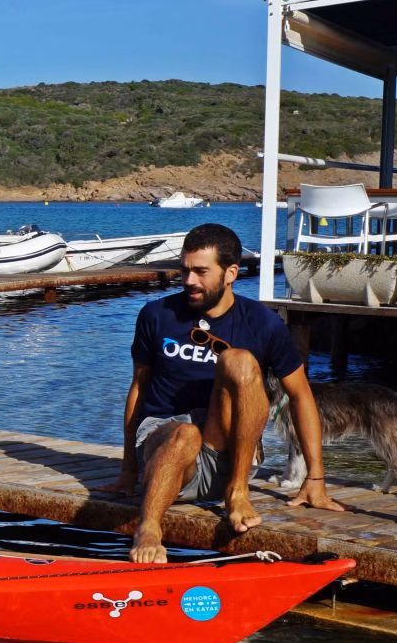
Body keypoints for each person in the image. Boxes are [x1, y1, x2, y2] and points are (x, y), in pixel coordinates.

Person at [103, 222, 343, 563]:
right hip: (165, 444)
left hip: (226, 449)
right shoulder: (156, 316)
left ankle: (237, 490)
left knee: (240, 361)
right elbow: (139, 387)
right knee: (183, 434)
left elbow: (301, 396)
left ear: (230, 272)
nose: (189, 281)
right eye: (184, 270)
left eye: (201, 272)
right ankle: (149, 529)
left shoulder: (262, 323)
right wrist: (128, 470)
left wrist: (315, 478)